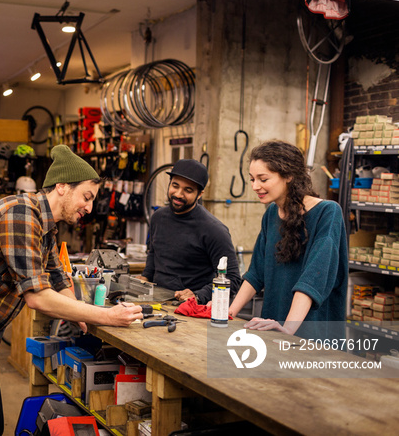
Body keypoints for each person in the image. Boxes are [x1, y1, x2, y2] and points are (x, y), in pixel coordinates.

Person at [0, 144, 143, 436]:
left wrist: (81, 316)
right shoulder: (22, 213)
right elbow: (37, 296)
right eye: (86, 197)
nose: (89, 207)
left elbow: (58, 281)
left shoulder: (46, 226)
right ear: (61, 186)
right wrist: (106, 316)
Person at [228, 140, 347, 339]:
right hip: (274, 328)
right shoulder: (271, 214)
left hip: (312, 333)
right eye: (252, 179)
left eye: (263, 179)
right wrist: (228, 313)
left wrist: (288, 328)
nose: (255, 186)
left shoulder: (328, 213)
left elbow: (314, 278)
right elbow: (256, 273)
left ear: (289, 175)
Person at [141, 159, 241, 304]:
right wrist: (145, 277)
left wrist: (199, 295)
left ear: (199, 194)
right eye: (175, 186)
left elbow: (233, 278)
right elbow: (154, 253)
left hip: (190, 310)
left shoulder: (214, 230)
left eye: (188, 190)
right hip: (156, 302)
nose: (179, 194)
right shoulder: (158, 217)